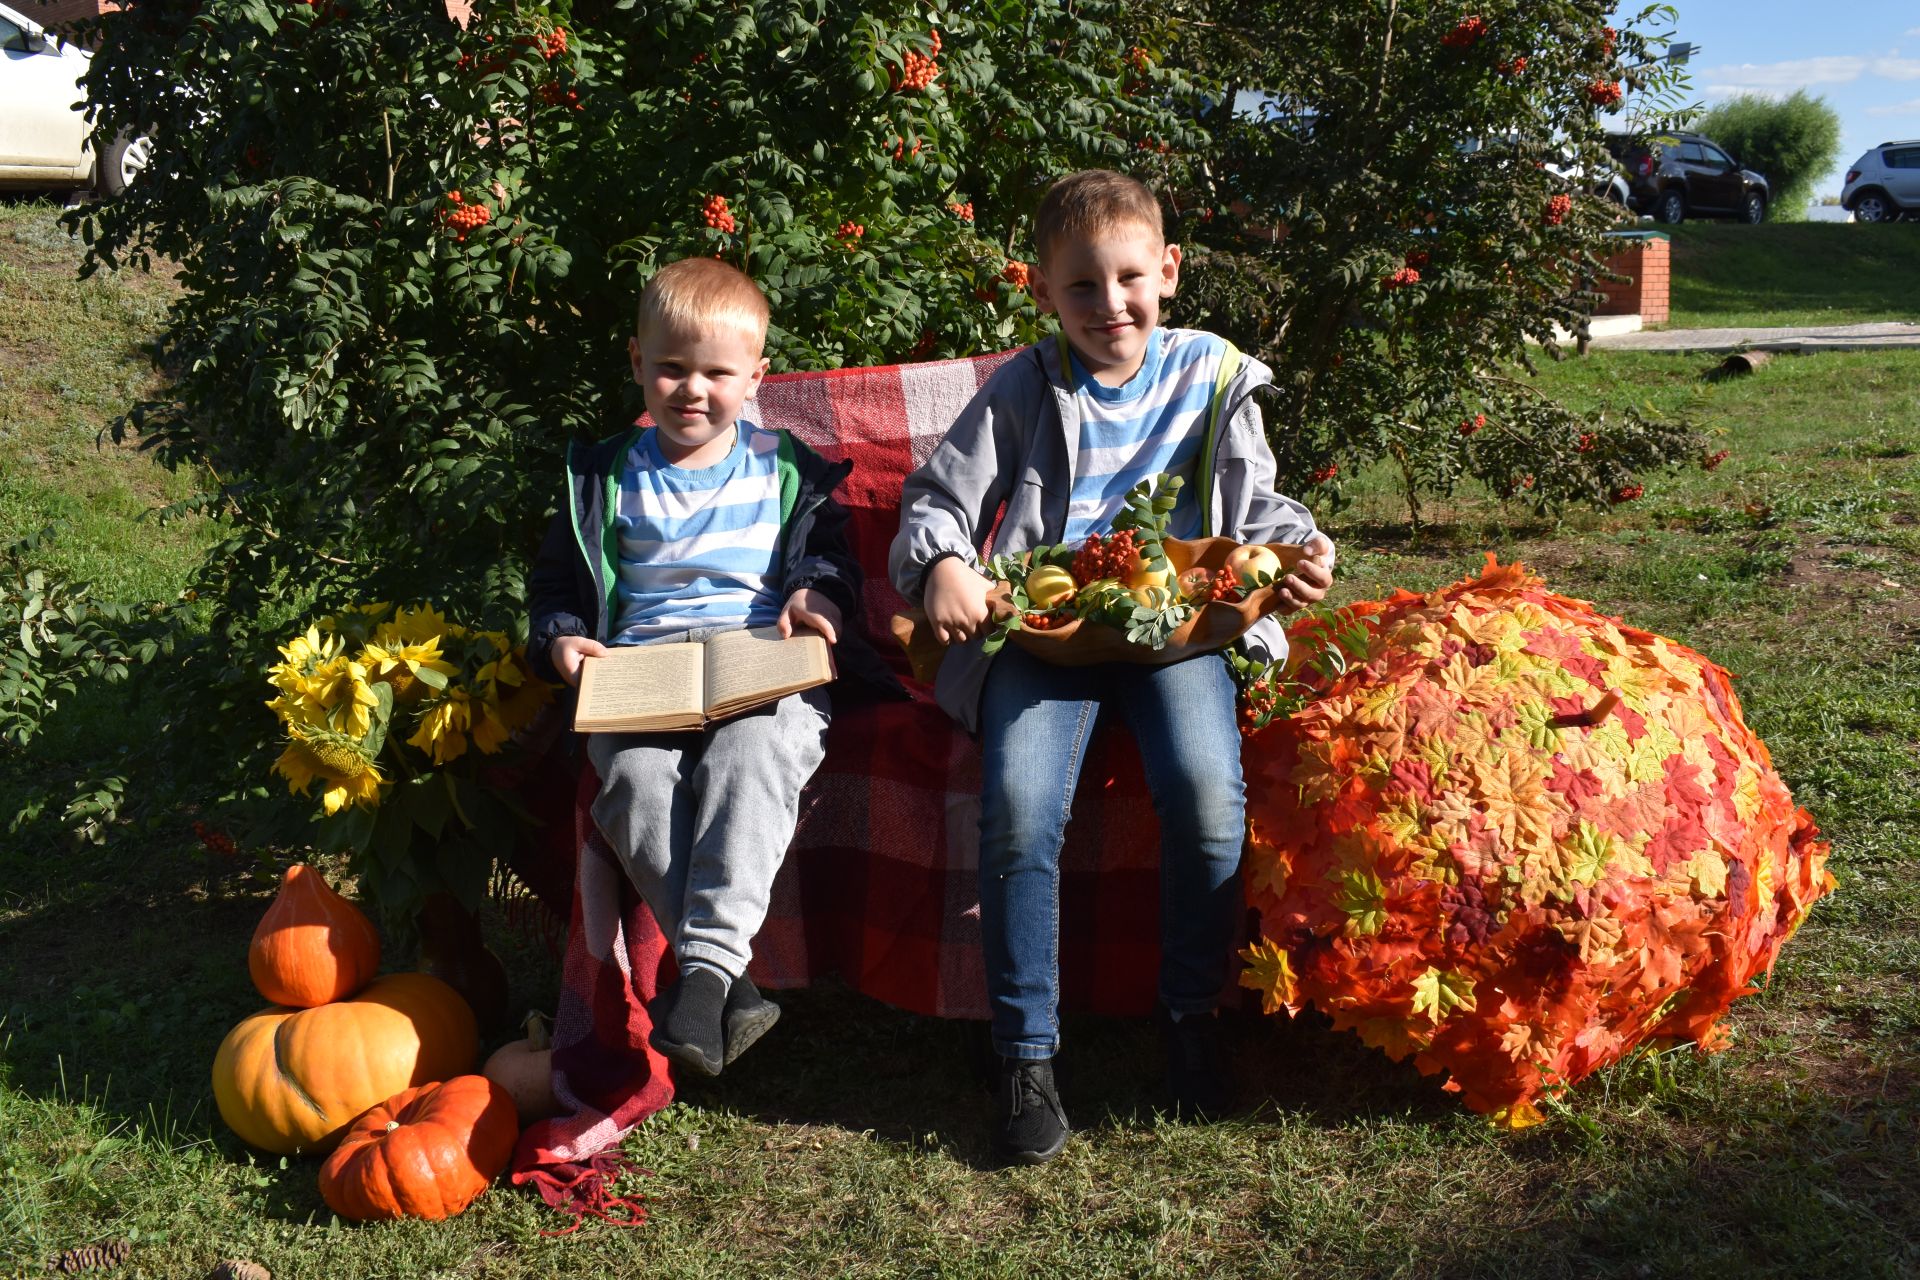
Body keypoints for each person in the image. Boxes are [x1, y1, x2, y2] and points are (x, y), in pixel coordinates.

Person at [889, 169, 1337, 1163]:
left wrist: (1303, 558)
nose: (1110, 304)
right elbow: (935, 504)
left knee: (1206, 789)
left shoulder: (1209, 375)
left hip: (1180, 627)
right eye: (1081, 286)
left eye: (1129, 277)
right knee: (1018, 798)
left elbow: (1262, 512)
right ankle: (1026, 1051)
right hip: (1051, 631)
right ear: (1044, 291)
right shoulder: (1024, 387)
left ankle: (1192, 1017)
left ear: (1168, 272)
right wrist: (948, 565)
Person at [528, 256, 883, 1078]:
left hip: (758, 664)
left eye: (717, 373)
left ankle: (703, 976)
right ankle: (725, 981)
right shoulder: (603, 474)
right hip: (641, 672)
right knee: (636, 785)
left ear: (756, 376)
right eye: (671, 368)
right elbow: (555, 585)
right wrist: (562, 637)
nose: (693, 390)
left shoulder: (785, 467)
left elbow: (828, 564)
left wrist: (819, 602)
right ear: (637, 363)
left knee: (751, 758)